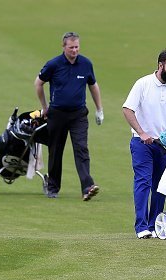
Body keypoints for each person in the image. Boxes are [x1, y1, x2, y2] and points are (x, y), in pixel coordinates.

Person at [122, 50, 166, 239]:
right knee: (143, 181)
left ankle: (154, 225)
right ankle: (141, 227)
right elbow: (127, 109)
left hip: (163, 145)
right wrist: (142, 132)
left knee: (161, 186)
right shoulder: (143, 84)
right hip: (142, 143)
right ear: (160, 65)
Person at [34, 32, 103, 201]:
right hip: (57, 114)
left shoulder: (86, 64)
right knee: (56, 150)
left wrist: (99, 109)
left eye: (77, 47)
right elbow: (38, 83)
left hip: (78, 114)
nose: (74, 50)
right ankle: (53, 187)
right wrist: (45, 108)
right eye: (71, 47)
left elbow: (93, 85)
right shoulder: (54, 64)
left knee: (81, 148)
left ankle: (87, 187)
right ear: (64, 47)